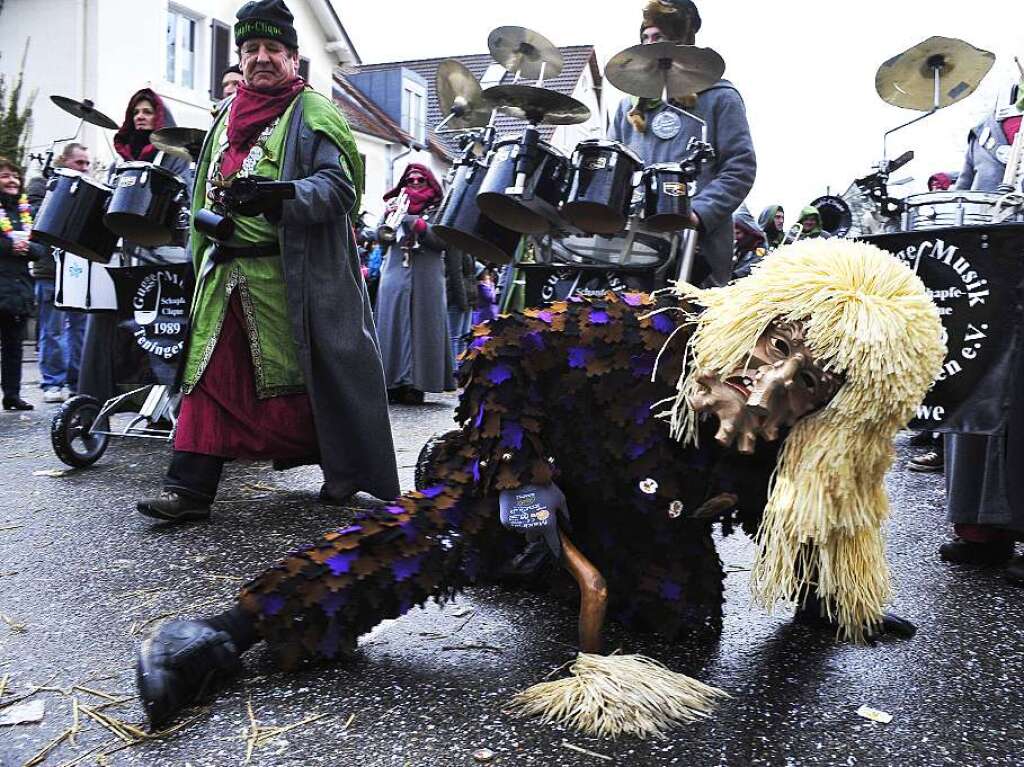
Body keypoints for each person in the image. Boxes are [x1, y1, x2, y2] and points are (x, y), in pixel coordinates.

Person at [133, 240, 943, 736]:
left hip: (633, 521)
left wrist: (831, 598)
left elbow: (801, 516)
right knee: (449, 527)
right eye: (776, 347)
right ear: (756, 316)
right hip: (527, 481)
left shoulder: (807, 443)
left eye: (811, 383)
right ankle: (221, 630)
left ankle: (541, 567)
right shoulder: (641, 331)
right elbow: (499, 345)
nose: (771, 387)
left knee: (680, 623)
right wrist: (524, 479)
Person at [136, 0, 398, 522]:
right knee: (207, 376)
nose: (260, 58)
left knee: (311, 381)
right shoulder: (225, 116)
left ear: (293, 58)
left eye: (272, 49)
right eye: (250, 49)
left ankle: (342, 468)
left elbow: (340, 190)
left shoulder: (317, 113)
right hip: (223, 275)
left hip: (290, 281)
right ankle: (189, 490)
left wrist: (281, 196)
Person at [928, 76, 1024, 581]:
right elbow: (966, 194)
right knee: (979, 393)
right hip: (991, 273)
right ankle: (982, 531)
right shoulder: (983, 130)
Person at [608, 0, 756, 287]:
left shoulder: (720, 97)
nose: (649, 46)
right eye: (644, 38)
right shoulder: (628, 108)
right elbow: (615, 170)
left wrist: (699, 213)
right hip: (634, 244)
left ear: (680, 42)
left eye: (658, 38)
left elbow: (740, 168)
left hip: (699, 246)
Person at [77, 87, 193, 407]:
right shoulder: (122, 161)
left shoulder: (178, 155)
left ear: (160, 117)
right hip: (127, 253)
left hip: (165, 252)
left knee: (161, 329)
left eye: (147, 112)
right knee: (110, 324)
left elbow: (184, 196)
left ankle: (170, 404)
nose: (141, 117)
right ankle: (95, 402)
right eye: (136, 113)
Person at [374, 163, 454, 404]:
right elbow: (380, 237)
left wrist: (419, 225)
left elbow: (445, 241)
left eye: (421, 180)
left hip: (427, 276)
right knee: (391, 324)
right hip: (396, 273)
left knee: (424, 327)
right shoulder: (395, 204)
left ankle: (417, 384)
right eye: (411, 180)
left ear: (429, 182)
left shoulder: (440, 207)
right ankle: (391, 382)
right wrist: (390, 217)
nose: (416, 183)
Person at [25, 143, 91, 403]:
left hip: (78, 271)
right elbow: (37, 215)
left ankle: (77, 382)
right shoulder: (42, 185)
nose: (84, 168)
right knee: (52, 330)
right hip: (50, 270)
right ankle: (52, 382)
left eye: (87, 163)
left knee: (79, 329)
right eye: (79, 163)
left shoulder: (89, 190)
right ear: (63, 161)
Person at [0, 158, 48, 410]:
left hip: (17, 290)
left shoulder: (24, 212)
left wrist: (26, 247)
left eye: (16, 177)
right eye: (5, 176)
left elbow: (41, 248)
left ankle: (12, 394)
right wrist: (10, 245)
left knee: (13, 346)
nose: (12, 181)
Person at [731, 203, 767, 279]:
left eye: (738, 233)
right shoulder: (739, 245)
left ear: (747, 231)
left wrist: (735, 275)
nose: (735, 237)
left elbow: (757, 263)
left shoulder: (760, 244)